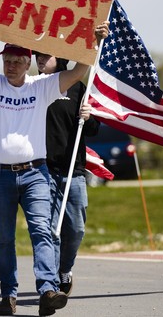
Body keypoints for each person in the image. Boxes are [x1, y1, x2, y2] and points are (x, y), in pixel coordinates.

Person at [0, 5, 108, 316]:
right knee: (4, 239)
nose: (11, 66)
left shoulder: (42, 87)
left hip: (35, 173)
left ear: (29, 63)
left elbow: (78, 71)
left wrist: (93, 41)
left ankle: (48, 290)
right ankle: (8, 294)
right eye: (7, 60)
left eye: (17, 61)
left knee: (42, 229)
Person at [36, 52, 100, 296]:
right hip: (43, 171)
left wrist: (89, 116)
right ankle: (50, 283)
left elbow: (94, 129)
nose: (39, 60)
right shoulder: (34, 87)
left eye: (45, 56)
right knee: (50, 228)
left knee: (76, 228)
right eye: (37, 57)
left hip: (74, 171)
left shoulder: (77, 88)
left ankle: (65, 269)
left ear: (60, 57)